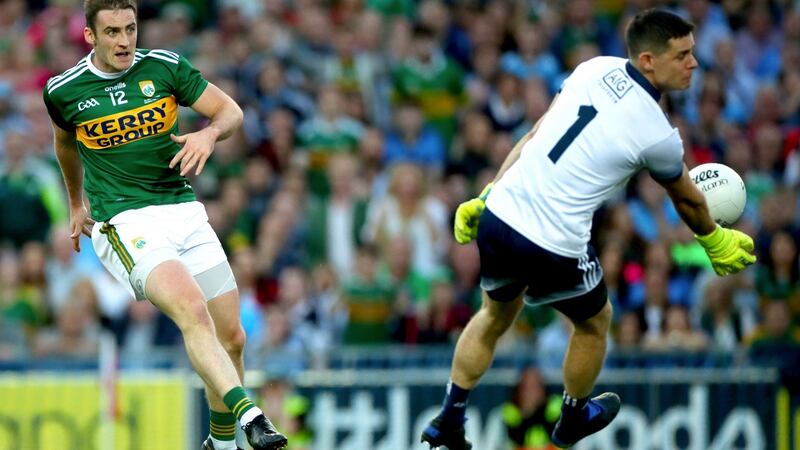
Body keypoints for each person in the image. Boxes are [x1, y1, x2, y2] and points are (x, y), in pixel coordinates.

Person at [421, 9, 757, 450]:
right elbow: (689, 198)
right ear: (648, 60)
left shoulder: (593, 68)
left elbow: (536, 134)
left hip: (502, 216)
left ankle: (449, 418)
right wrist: (714, 239)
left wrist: (487, 194)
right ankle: (574, 417)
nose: (694, 63)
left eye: (693, 52)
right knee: (596, 322)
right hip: (552, 242)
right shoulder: (657, 133)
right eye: (683, 55)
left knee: (492, 316)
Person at [42, 1, 287, 449]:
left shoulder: (165, 67)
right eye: (112, 31)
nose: (124, 40)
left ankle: (219, 442)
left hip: (182, 210)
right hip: (124, 219)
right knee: (192, 312)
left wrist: (209, 133)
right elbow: (65, 144)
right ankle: (250, 416)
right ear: (91, 36)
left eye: (130, 28)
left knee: (232, 336)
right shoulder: (64, 90)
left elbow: (230, 111)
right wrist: (76, 203)